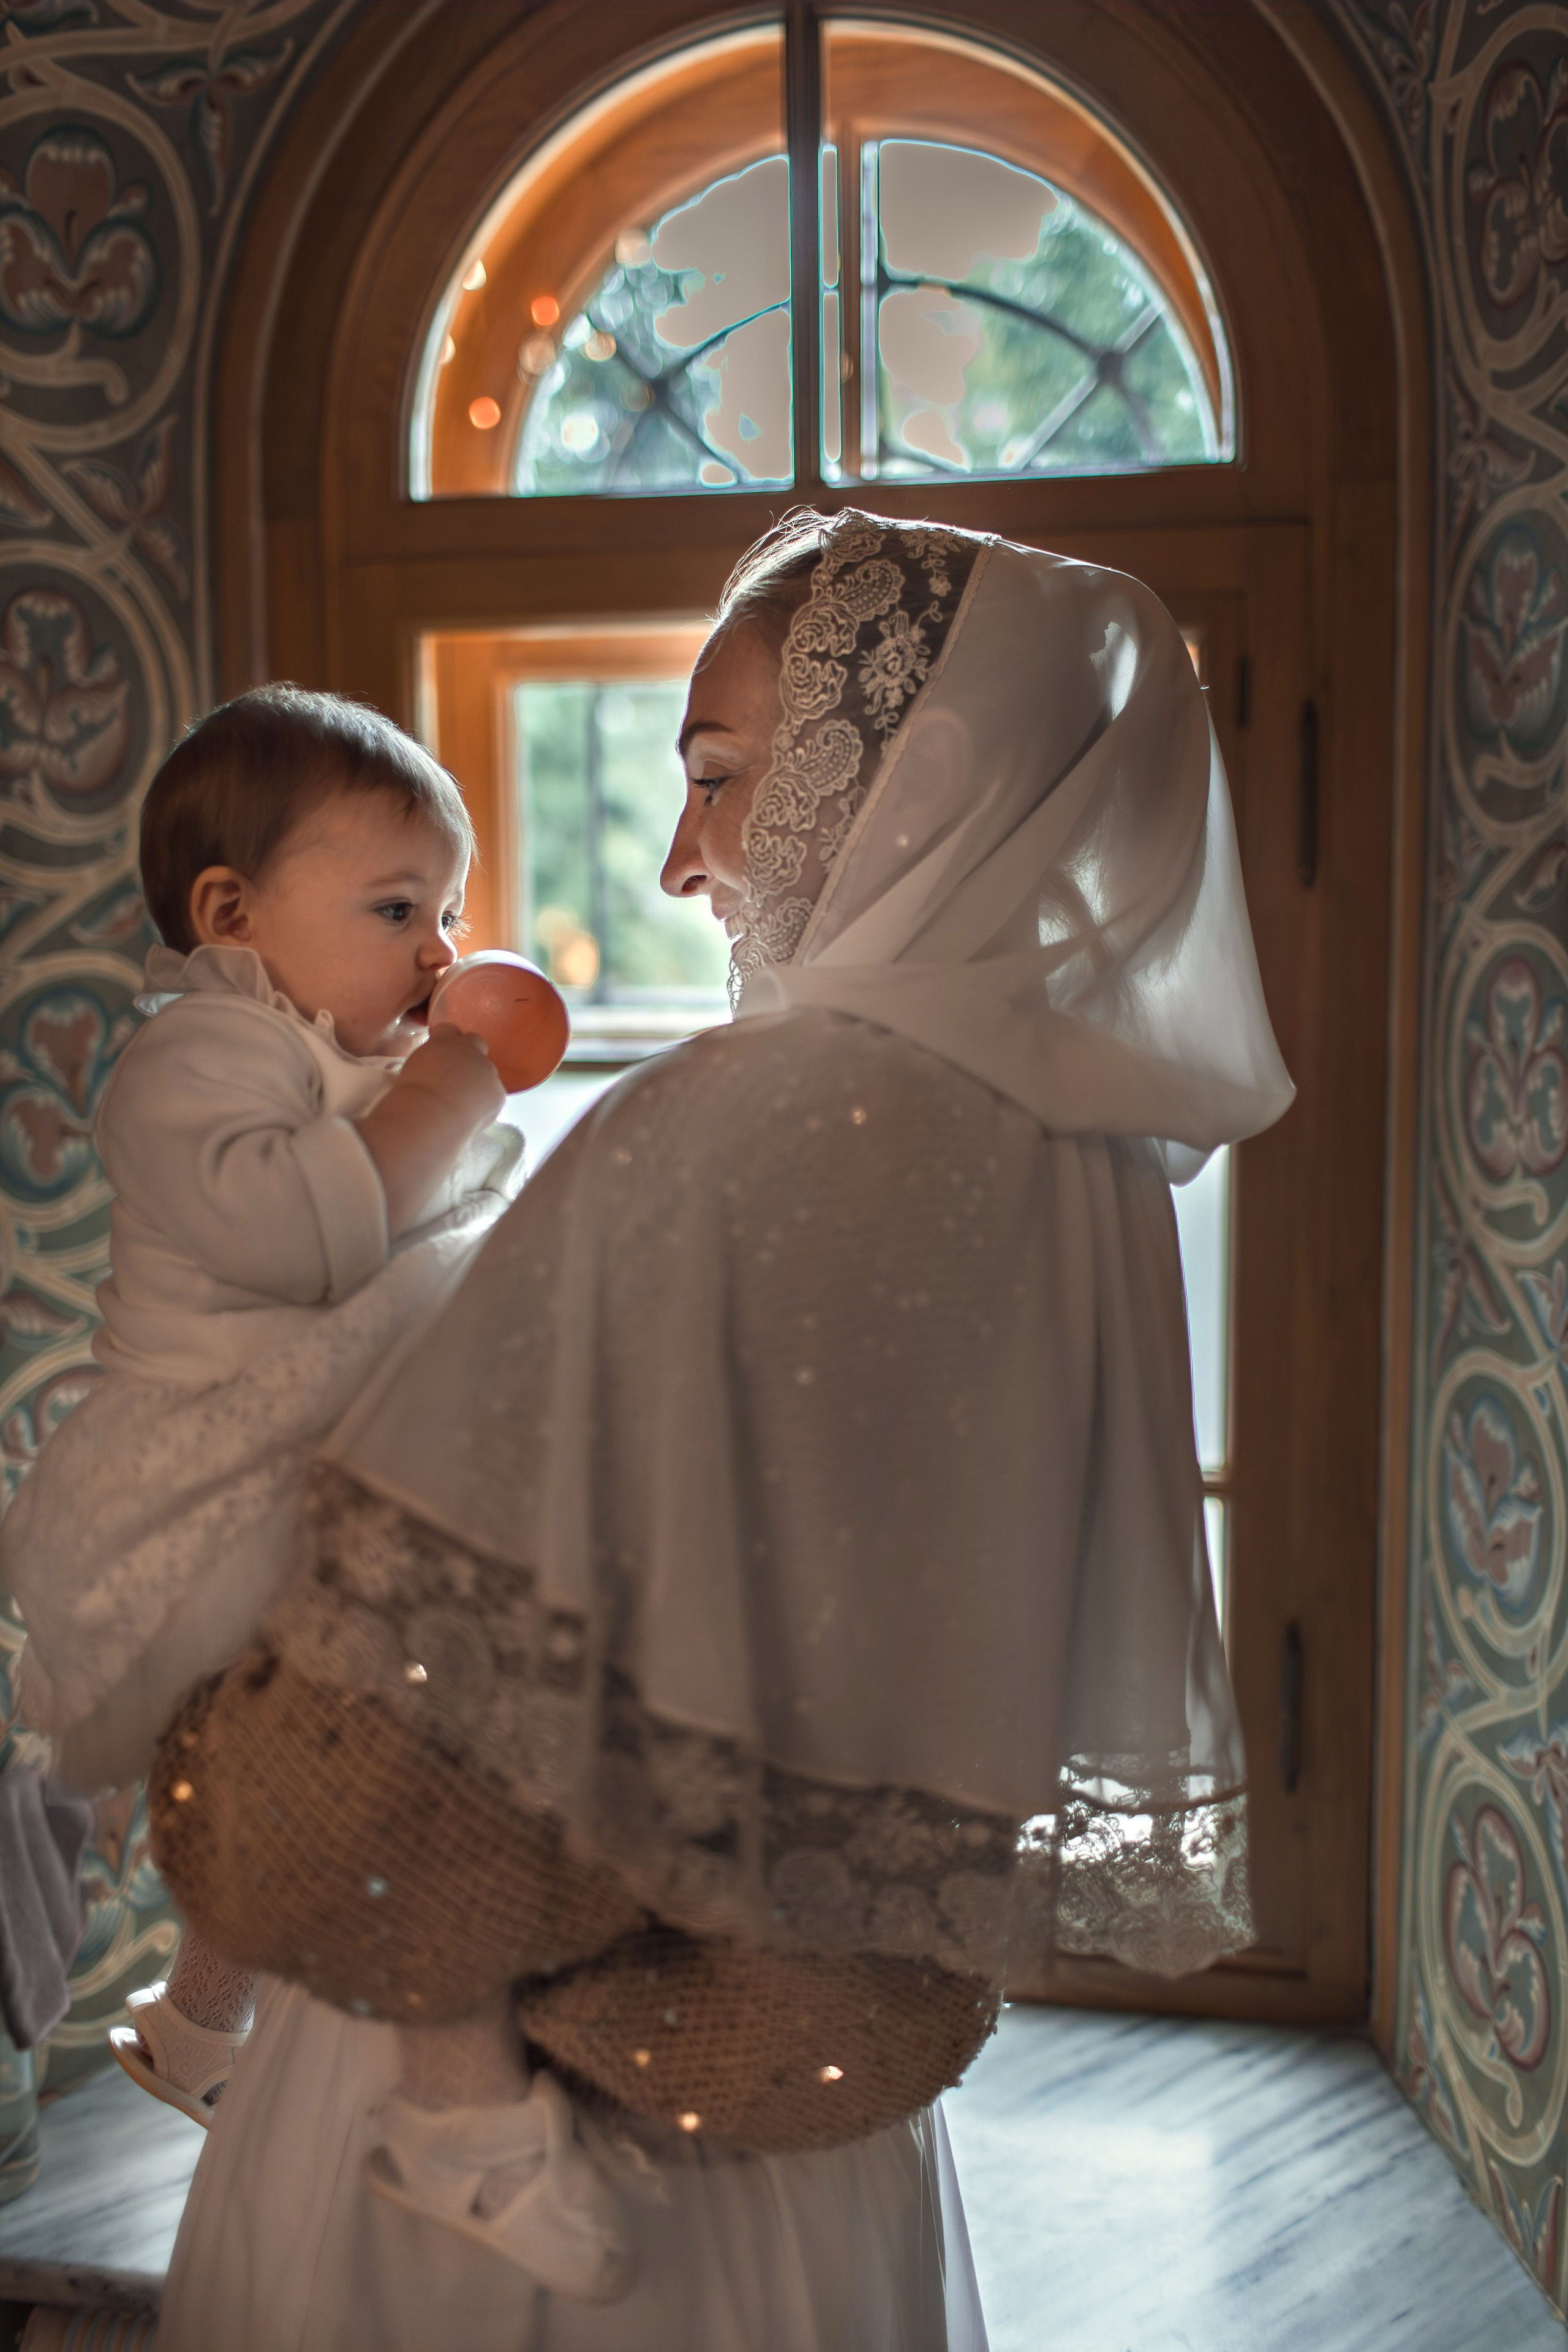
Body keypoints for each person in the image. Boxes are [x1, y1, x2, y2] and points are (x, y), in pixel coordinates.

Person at [156, 510, 1294, 2351]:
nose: (685, 861)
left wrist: (200, 1711)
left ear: (916, 781)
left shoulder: (732, 1133)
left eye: (722, 777)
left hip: (515, 2173)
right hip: (813, 2153)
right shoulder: (1086, 1173)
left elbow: (357, 1795)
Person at [0, 690, 635, 2288]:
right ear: (231, 914)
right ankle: (424, 2101)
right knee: (353, 1753)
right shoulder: (192, 1059)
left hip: (313, 1461)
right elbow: (315, 1241)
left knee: (328, 1769)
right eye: (397, 909)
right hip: (201, 1485)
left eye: (454, 913)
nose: (439, 953)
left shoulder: (339, 1049)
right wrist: (454, 1087)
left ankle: (201, 2022)